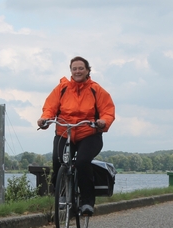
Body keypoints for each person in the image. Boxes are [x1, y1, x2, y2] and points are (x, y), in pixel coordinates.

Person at [37, 56, 115, 216]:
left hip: (88, 133)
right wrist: (45, 119)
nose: (77, 71)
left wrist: (102, 121)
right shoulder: (62, 88)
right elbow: (50, 107)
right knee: (58, 160)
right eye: (74, 68)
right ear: (71, 70)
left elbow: (108, 110)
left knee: (82, 162)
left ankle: (87, 201)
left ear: (87, 70)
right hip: (65, 131)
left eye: (81, 68)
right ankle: (61, 193)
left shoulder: (96, 90)